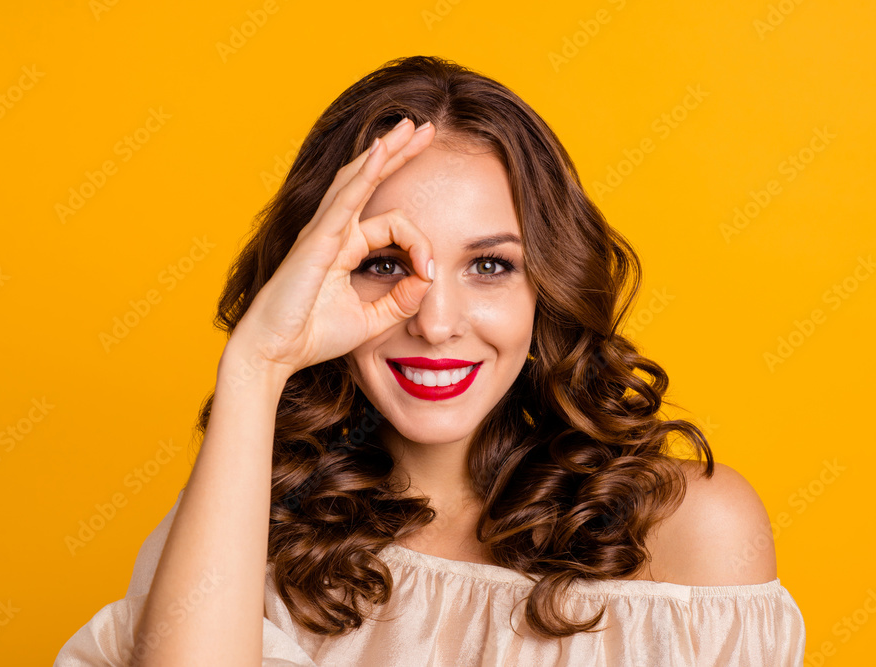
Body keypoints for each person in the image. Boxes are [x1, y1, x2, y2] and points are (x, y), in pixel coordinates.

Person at [54, 55, 806, 666]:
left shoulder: (693, 532)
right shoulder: (239, 528)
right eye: (385, 261)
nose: (436, 323)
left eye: (489, 266)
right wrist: (258, 360)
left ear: (546, 284)